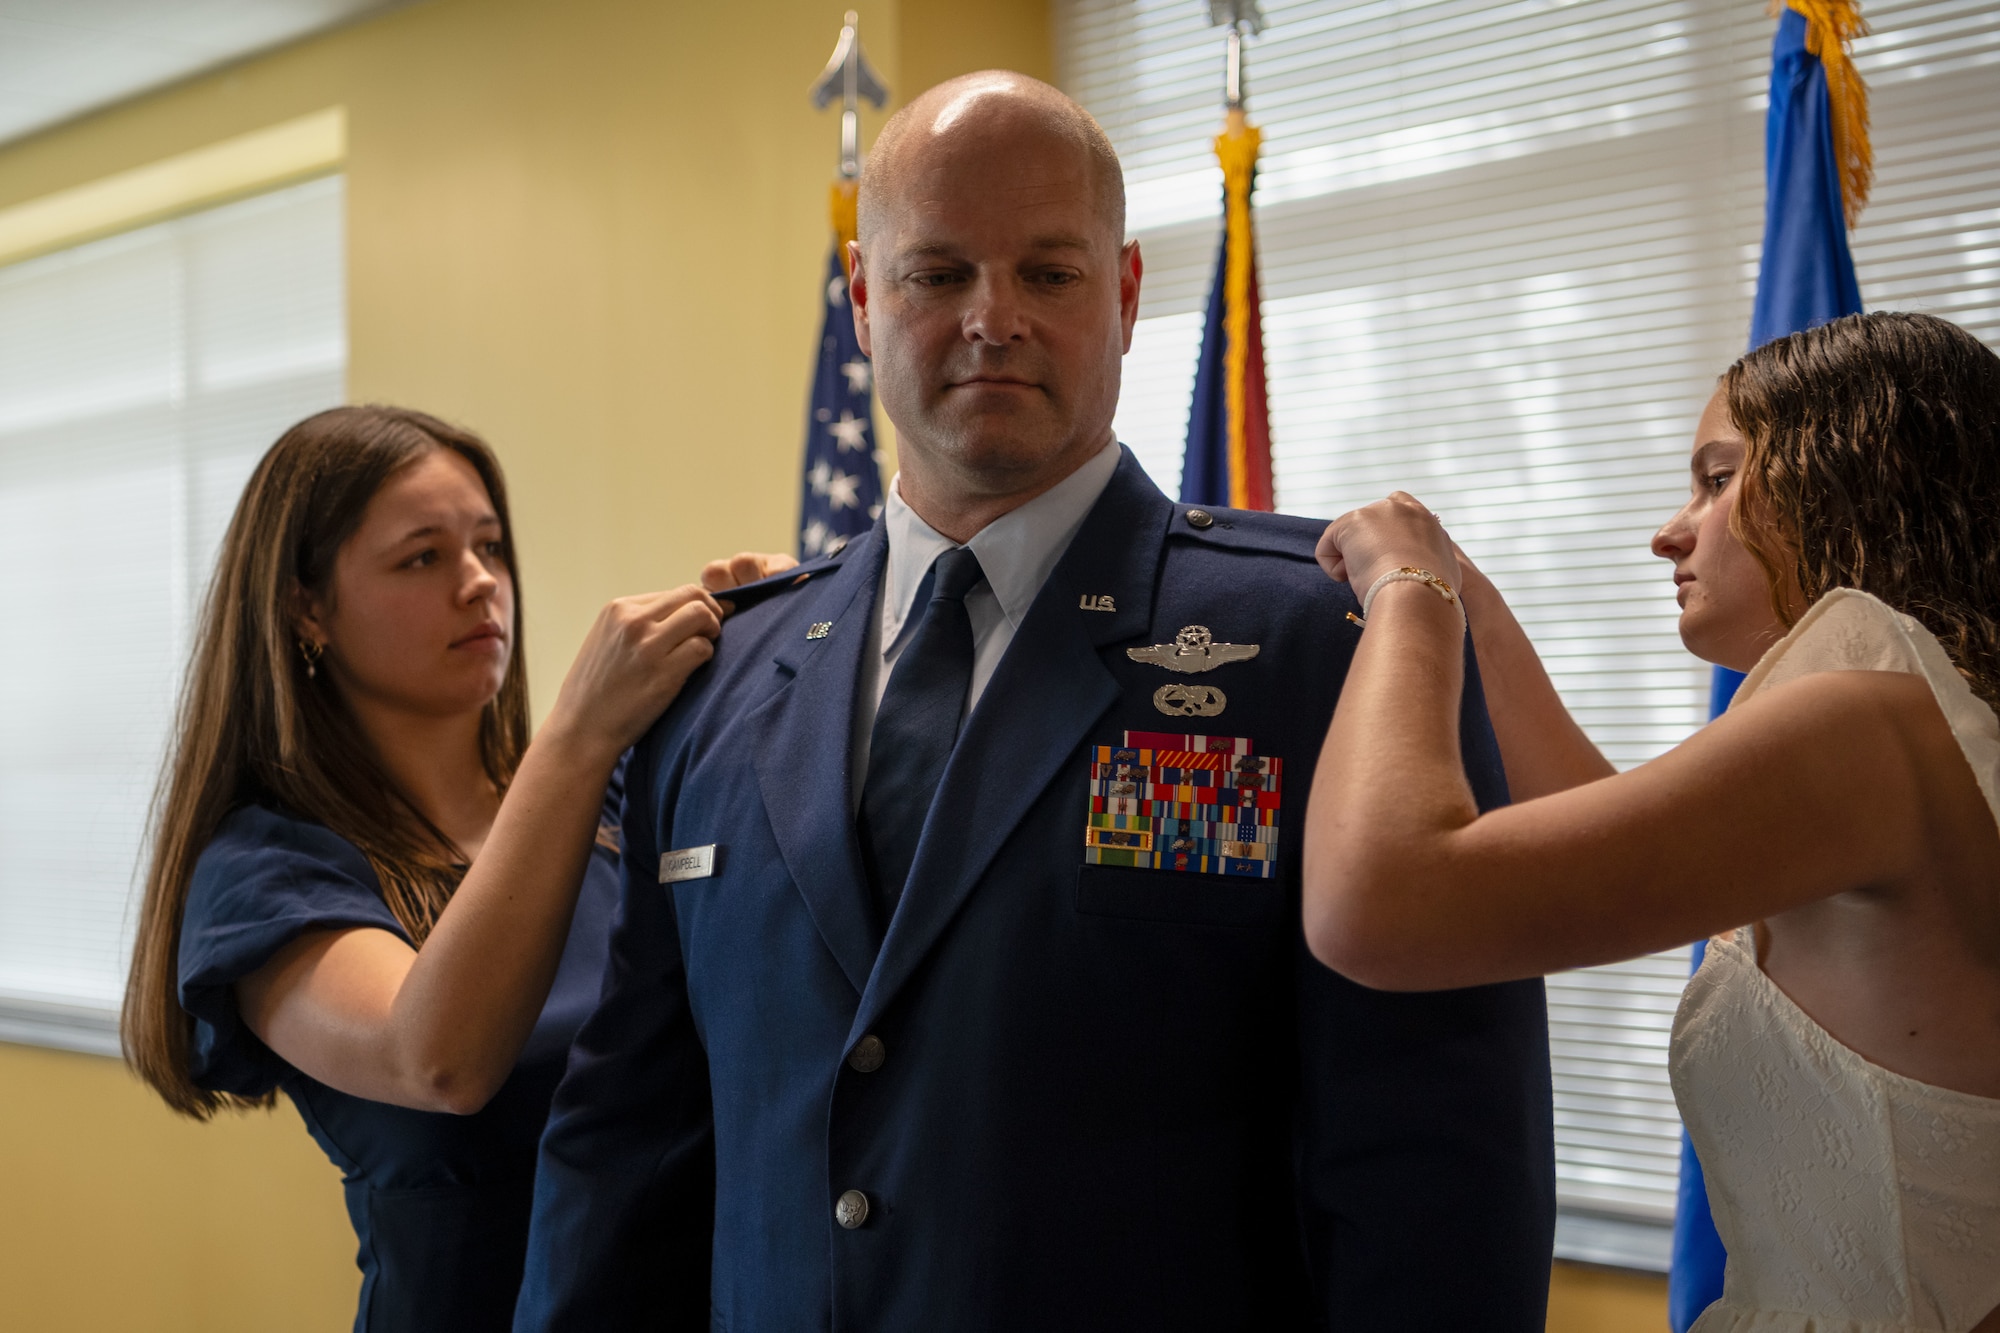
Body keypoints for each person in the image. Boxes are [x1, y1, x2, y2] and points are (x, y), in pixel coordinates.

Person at [515, 72, 1553, 1332]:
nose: (990, 319)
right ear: (861, 296)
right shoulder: (715, 681)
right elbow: (626, 1149)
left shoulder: (1321, 644)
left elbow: (1432, 1160)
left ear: (1121, 295)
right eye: (936, 273)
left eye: (1047, 275)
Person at [1305, 311, 2000, 1332]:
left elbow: (1379, 903)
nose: (1668, 530)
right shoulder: (1931, 728)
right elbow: (1598, 822)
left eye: (1716, 479)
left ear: (1843, 474)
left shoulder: (1864, 721)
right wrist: (1473, 605)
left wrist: (1404, 593)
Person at [122, 405, 786, 1332]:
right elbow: (436, 1059)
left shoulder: (613, 792)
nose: (479, 584)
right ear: (306, 607)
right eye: (422, 557)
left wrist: (774, 646)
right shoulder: (263, 870)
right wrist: (579, 730)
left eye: (489, 546)